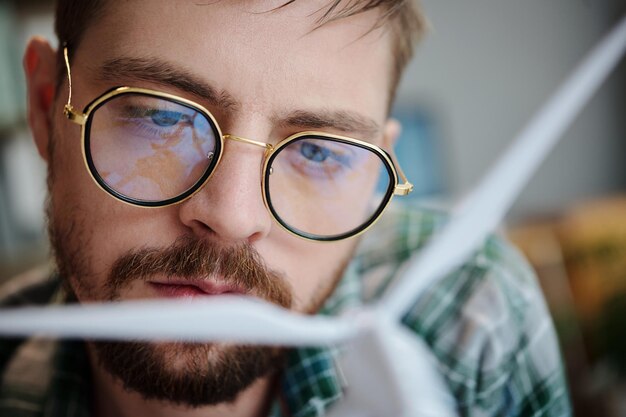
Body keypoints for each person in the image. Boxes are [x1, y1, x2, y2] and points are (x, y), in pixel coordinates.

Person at [0, 0, 570, 416]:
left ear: (375, 174)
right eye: (161, 116)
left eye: (320, 150)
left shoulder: (471, 311)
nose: (233, 216)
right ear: (47, 105)